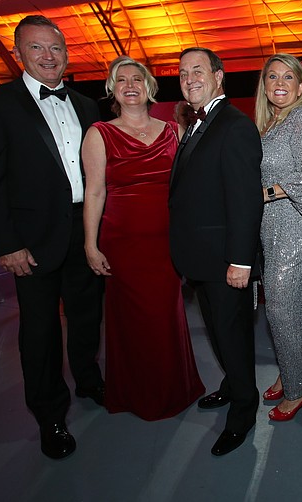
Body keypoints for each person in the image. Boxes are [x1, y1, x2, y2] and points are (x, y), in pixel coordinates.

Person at [0, 15, 104, 460]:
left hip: (84, 230)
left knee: (86, 315)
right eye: (37, 48)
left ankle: (89, 379)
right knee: (40, 330)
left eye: (56, 48)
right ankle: (50, 415)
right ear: (18, 53)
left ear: (67, 53)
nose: (48, 57)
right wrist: (5, 244)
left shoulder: (85, 104)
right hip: (31, 240)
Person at [81, 57, 204, 421]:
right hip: (123, 244)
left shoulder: (173, 131)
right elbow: (94, 193)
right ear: (112, 89)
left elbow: (187, 192)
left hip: (167, 242)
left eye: (138, 78)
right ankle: (137, 393)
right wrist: (90, 244)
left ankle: (175, 388)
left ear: (150, 87)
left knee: (167, 316)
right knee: (133, 322)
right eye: (122, 80)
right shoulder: (99, 133)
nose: (131, 84)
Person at [169, 47, 263, 456]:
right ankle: (231, 385)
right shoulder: (195, 125)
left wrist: (240, 260)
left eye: (198, 71)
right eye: (183, 72)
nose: (190, 78)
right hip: (203, 259)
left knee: (234, 337)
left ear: (219, 77)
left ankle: (244, 409)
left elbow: (246, 201)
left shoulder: (235, 126)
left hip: (227, 261)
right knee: (220, 334)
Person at [253, 53, 302, 421]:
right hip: (272, 229)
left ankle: (299, 390)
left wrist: (264, 193)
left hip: (295, 228)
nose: (279, 83)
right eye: (272, 77)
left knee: (284, 311)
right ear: (264, 85)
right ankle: (291, 370)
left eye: (288, 77)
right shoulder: (273, 122)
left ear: (301, 86)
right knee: (286, 312)